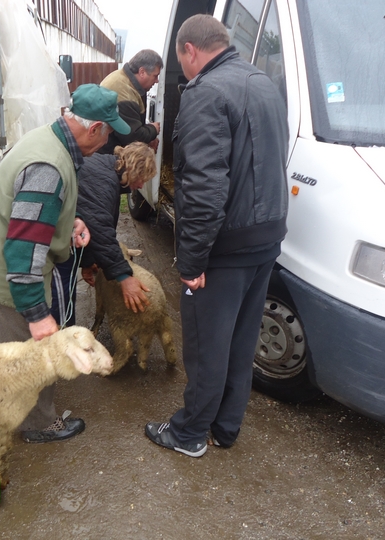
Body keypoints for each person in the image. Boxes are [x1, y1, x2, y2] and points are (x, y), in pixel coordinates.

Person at [145, 15, 289, 457]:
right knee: (241, 340)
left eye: (179, 60)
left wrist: (192, 262)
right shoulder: (261, 81)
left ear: (189, 50)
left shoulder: (206, 92)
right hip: (265, 238)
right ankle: (226, 427)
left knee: (208, 345)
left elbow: (205, 189)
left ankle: (188, 433)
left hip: (225, 246)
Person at [0, 84, 130, 443]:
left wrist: (68, 223)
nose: (108, 140)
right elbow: (23, 248)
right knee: (33, 358)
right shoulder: (49, 165)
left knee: (26, 352)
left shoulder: (49, 140)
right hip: (7, 276)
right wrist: (37, 314)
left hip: (0, 263)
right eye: (109, 130)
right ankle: (37, 424)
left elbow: (31, 212)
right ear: (94, 128)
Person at [48, 142, 156, 327]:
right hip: (56, 244)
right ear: (134, 169)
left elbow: (91, 220)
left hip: (68, 237)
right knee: (61, 300)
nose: (140, 185)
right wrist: (124, 277)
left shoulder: (105, 169)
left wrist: (88, 262)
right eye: (142, 178)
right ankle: (59, 346)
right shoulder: (103, 181)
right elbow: (100, 229)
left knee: (66, 293)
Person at [98, 49, 163, 154]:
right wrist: (153, 130)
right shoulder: (123, 92)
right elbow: (132, 137)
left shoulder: (126, 81)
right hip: (107, 155)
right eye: (155, 76)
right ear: (142, 72)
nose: (157, 81)